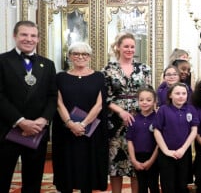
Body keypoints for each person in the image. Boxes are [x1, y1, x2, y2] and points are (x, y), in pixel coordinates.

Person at [0, 20, 57, 193]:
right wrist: (20, 121)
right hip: (7, 130)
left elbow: (52, 96)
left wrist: (43, 119)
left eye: (33, 35)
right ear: (15, 36)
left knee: (33, 182)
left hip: (37, 132)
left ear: (38, 39)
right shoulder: (2, 61)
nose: (29, 39)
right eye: (24, 34)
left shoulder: (47, 64)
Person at [52, 42, 108, 193]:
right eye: (76, 53)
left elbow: (99, 105)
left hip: (90, 130)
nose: (80, 57)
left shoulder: (98, 77)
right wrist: (71, 124)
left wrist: (82, 124)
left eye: (84, 54)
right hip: (66, 131)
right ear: (70, 56)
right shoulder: (60, 77)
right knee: (66, 171)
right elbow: (58, 103)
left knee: (87, 172)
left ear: (89, 57)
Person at [102, 32, 152, 193]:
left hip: (139, 120)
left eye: (132, 46)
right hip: (115, 122)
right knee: (115, 164)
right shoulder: (108, 69)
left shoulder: (144, 68)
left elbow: (149, 93)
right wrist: (121, 112)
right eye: (126, 46)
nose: (129, 49)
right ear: (118, 47)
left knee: (135, 162)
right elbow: (104, 96)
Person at [153, 82, 198, 193]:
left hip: (183, 153)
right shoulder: (163, 109)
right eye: (177, 93)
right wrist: (166, 150)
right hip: (166, 154)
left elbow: (194, 130)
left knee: (182, 185)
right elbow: (157, 130)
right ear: (170, 95)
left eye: (184, 93)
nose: (181, 96)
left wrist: (183, 149)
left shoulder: (191, 109)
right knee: (168, 185)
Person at [126, 86, 160, 193]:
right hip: (138, 157)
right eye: (141, 100)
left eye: (148, 100)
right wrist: (134, 160)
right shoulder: (133, 119)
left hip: (154, 157)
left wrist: (151, 161)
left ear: (155, 101)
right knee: (141, 186)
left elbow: (160, 143)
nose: (144, 102)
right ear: (138, 101)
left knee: (153, 184)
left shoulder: (158, 118)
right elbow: (130, 140)